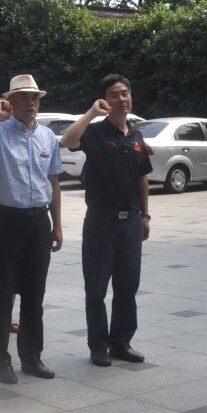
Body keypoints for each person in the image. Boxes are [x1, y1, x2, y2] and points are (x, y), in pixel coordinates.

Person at [0, 74, 63, 384]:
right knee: (2, 295)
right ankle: (1, 361)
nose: (31, 103)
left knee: (35, 295)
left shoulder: (47, 136)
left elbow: (54, 181)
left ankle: (32, 357)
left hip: (38, 221)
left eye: (34, 97)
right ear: (10, 101)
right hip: (5, 222)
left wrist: (57, 225)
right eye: (23, 97)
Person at [60, 74, 153, 367]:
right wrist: (91, 113)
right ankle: (98, 345)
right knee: (96, 288)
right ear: (105, 100)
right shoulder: (95, 132)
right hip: (101, 222)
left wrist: (145, 215)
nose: (121, 99)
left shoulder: (136, 135)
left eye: (125, 93)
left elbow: (143, 178)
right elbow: (67, 140)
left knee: (127, 287)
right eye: (114, 94)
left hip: (131, 223)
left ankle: (121, 342)